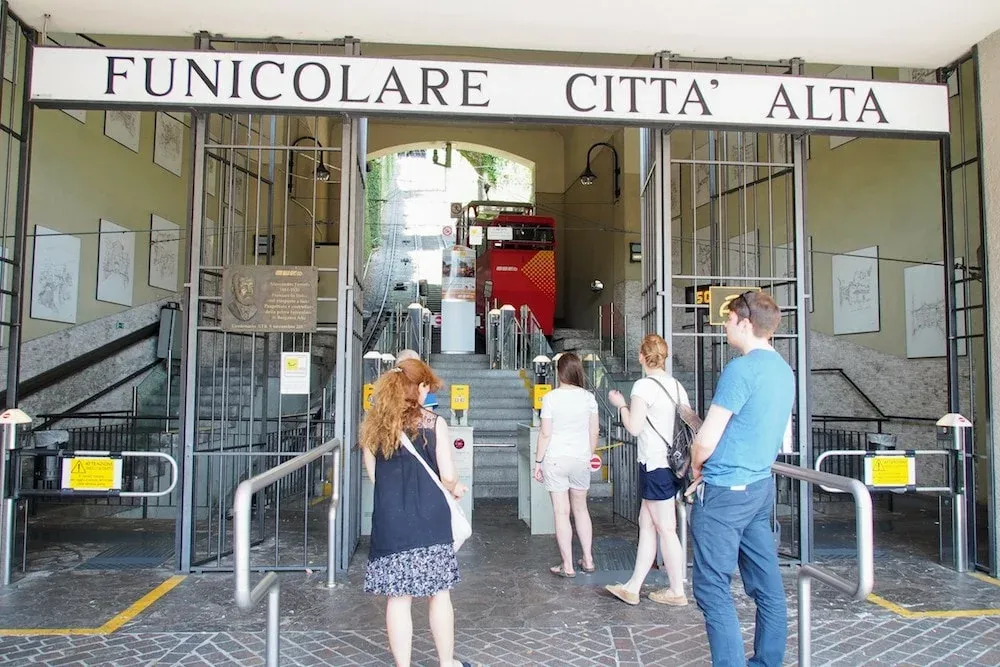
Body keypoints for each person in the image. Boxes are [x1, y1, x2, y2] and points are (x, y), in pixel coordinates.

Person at [685, 290, 794, 667]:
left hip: (725, 494)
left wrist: (697, 465)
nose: (725, 326)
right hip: (759, 487)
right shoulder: (784, 370)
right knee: (767, 587)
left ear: (746, 324)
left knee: (712, 587)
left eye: (729, 320)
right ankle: (767, 662)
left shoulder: (741, 369)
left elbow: (708, 440)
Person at [360, 358, 472, 667]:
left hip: (391, 521)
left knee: (397, 599)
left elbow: (375, 476)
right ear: (420, 387)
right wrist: (455, 487)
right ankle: (446, 662)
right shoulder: (434, 423)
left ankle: (403, 665)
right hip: (430, 519)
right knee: (439, 595)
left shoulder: (373, 426)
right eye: (427, 388)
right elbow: (447, 476)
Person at [604, 334, 691, 607]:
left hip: (655, 464)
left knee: (665, 527)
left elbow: (634, 426)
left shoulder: (644, 386)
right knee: (647, 523)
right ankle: (633, 585)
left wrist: (621, 406)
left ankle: (677, 590)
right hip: (674, 464)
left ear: (642, 357)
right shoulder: (677, 386)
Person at [532, 352, 600, 577]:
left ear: (558, 372)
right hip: (581, 459)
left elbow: (545, 433)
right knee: (581, 509)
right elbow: (594, 431)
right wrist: (588, 454)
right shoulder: (588, 398)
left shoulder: (551, 398)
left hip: (556, 460)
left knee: (561, 512)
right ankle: (588, 560)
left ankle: (568, 565)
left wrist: (538, 462)